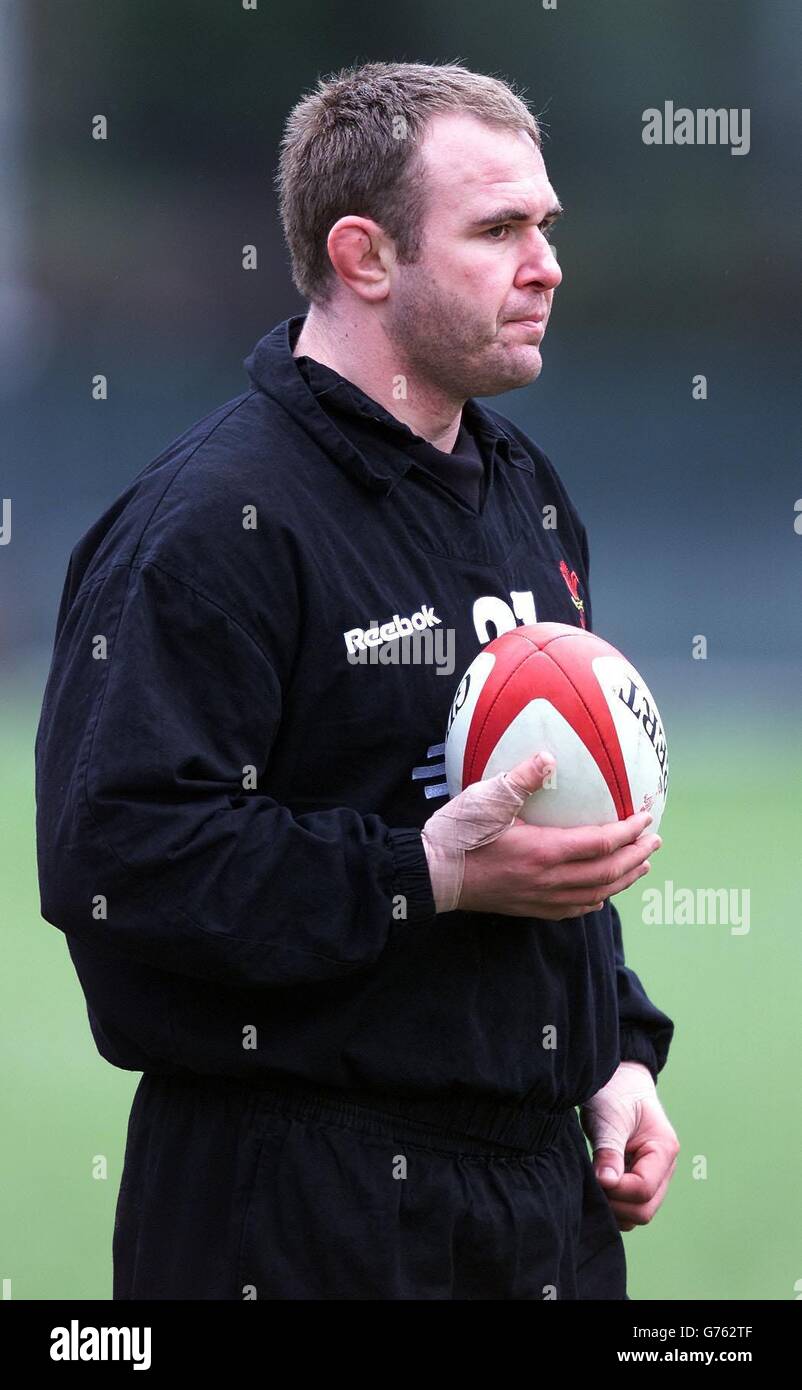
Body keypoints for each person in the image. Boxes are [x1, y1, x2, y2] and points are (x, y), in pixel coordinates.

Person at [34, 59, 678, 1301]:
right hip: (293, 1203)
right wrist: (422, 875)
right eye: (497, 230)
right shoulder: (210, 526)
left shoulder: (525, 491)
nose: (546, 264)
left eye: (545, 226)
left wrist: (610, 1053)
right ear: (364, 256)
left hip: (539, 1198)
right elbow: (115, 860)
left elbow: (535, 837)